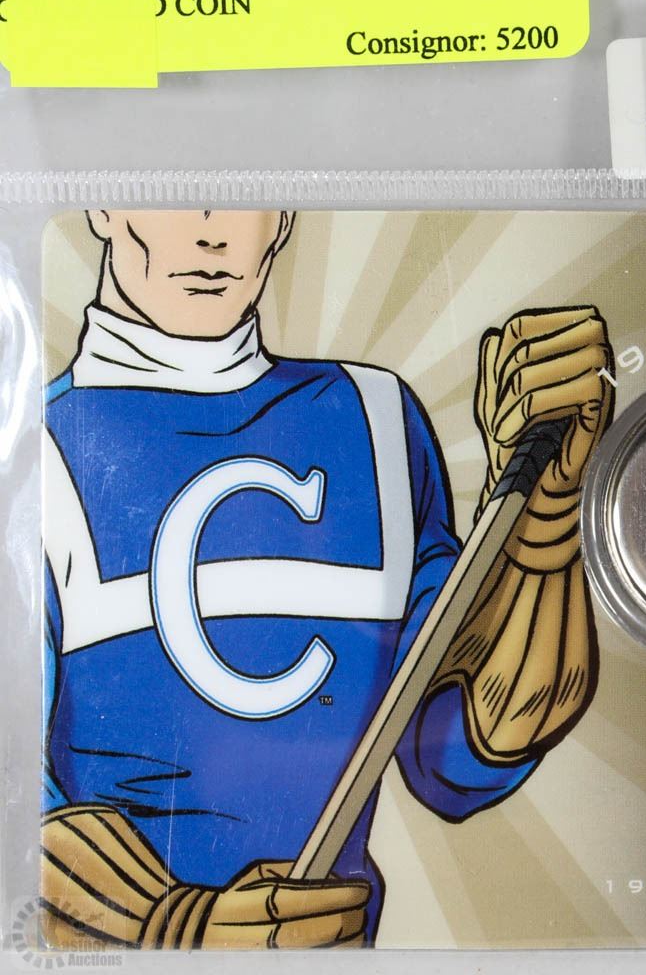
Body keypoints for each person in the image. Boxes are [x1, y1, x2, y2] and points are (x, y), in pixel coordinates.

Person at [41, 210, 613, 949]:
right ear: (104, 206)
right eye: (173, 194)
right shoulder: (33, 452)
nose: (211, 233)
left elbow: (462, 750)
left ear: (282, 215)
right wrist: (181, 931)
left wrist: (543, 515)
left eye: (243, 194)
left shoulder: (377, 417)